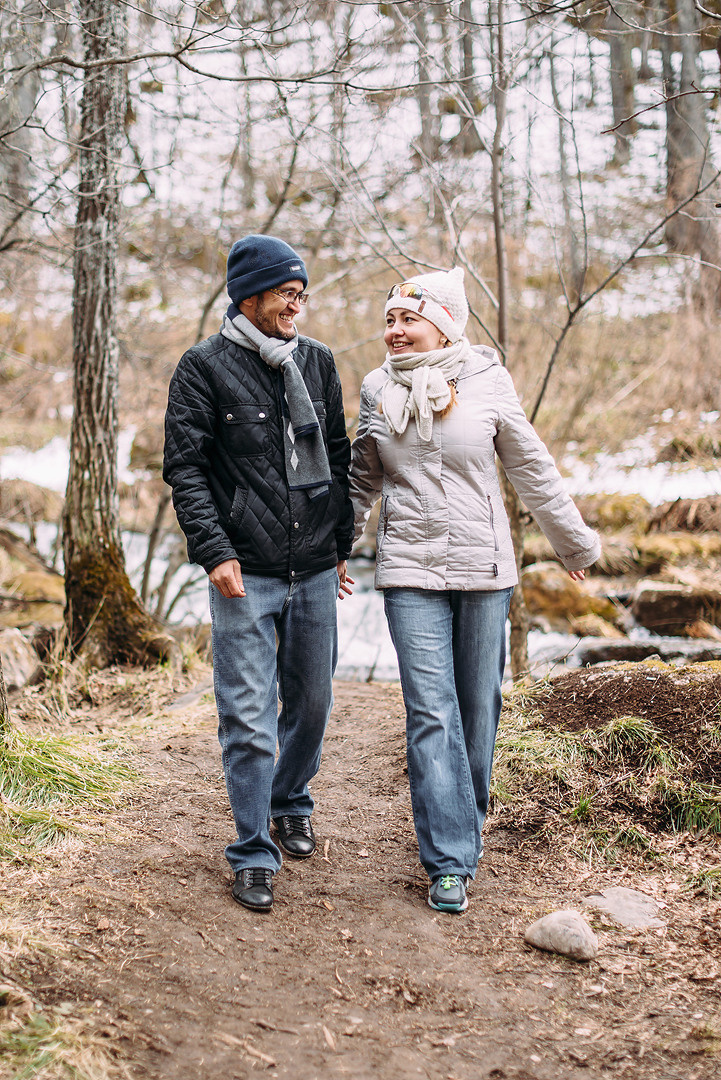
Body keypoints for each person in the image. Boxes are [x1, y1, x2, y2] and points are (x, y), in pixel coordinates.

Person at [348, 267, 600, 914]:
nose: (394, 331)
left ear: (444, 324)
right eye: (389, 320)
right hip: (408, 570)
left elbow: (530, 464)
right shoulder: (377, 387)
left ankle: (466, 820)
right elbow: (361, 479)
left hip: (484, 570)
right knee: (430, 712)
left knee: (477, 707)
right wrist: (335, 552)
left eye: (408, 319)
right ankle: (450, 860)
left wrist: (572, 543)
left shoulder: (487, 379)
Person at [163, 235, 354, 912]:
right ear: (249, 297)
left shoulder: (318, 362)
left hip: (316, 565)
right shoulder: (203, 368)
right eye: (285, 295)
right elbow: (185, 468)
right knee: (247, 717)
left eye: (301, 295)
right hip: (245, 570)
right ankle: (251, 850)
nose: (296, 307)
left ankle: (290, 798)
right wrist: (214, 550)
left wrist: (341, 543)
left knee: (312, 703)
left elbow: (337, 455)